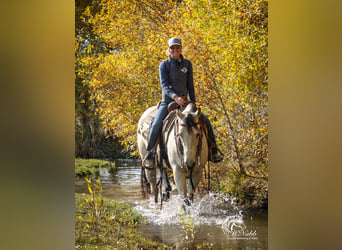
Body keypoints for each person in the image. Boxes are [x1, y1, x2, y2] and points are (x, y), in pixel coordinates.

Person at [144, 37, 223, 167]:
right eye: (172, 47)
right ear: (168, 50)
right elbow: (164, 86)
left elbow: (190, 85)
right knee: (157, 123)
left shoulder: (187, 64)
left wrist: (193, 103)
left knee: (205, 121)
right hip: (168, 102)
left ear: (181, 49)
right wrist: (175, 97)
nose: (175, 49)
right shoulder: (164, 65)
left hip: (185, 103)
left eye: (177, 47)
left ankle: (213, 150)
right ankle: (150, 154)